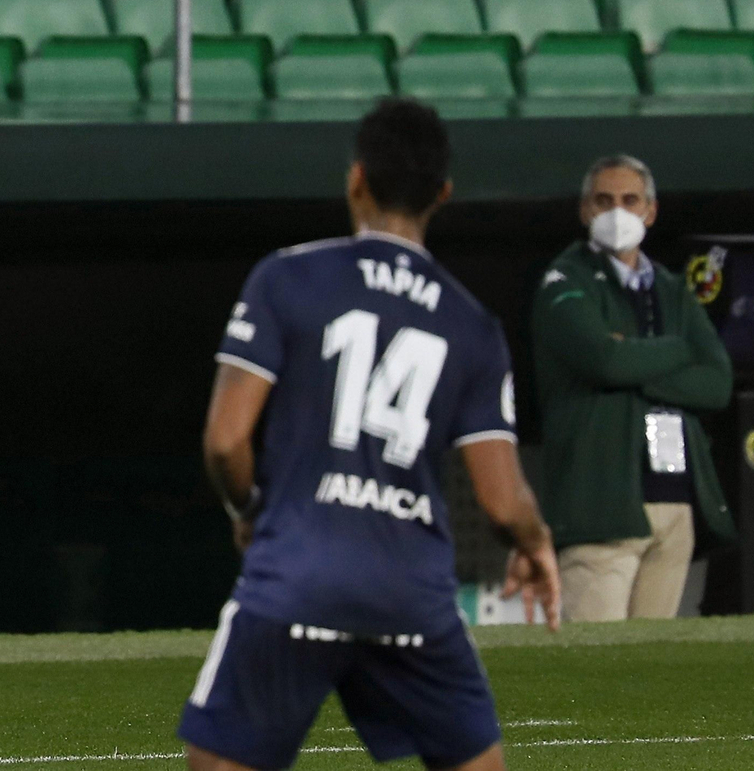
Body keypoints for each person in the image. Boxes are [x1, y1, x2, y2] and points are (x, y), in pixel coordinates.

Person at [179, 99, 560, 771]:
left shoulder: (286, 277)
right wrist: (534, 543)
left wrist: (247, 510)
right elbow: (503, 502)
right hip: (408, 591)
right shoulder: (472, 324)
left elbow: (224, 441)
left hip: (297, 576)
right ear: (443, 194)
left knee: (218, 757)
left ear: (356, 179)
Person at [531, 155, 735, 623]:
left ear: (650, 211)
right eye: (604, 201)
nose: (616, 212)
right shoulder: (565, 280)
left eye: (629, 200)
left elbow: (716, 383)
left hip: (674, 503)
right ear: (585, 209)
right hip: (601, 504)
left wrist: (632, 358)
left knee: (653, 662)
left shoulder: (671, 288)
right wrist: (680, 349)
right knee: (598, 661)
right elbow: (606, 361)